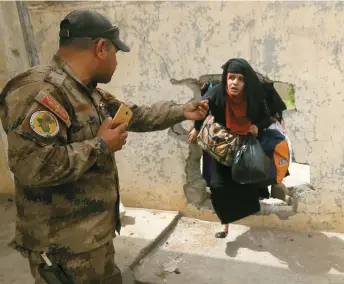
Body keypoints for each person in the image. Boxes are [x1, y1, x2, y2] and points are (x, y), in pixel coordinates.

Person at [0, 9, 208, 283]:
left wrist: (183, 111)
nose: (116, 63)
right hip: (63, 246)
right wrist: (99, 145)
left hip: (91, 235)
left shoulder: (85, 90)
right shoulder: (41, 92)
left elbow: (136, 115)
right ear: (101, 48)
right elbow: (31, 167)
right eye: (115, 53)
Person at [192, 58, 272, 238]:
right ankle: (225, 225)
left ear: (246, 82)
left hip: (245, 146)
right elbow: (200, 110)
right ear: (225, 78)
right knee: (219, 186)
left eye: (240, 79)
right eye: (231, 77)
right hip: (223, 146)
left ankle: (248, 213)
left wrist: (257, 127)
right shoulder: (217, 93)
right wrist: (196, 129)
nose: (234, 82)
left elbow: (266, 117)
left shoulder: (253, 97)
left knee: (245, 182)